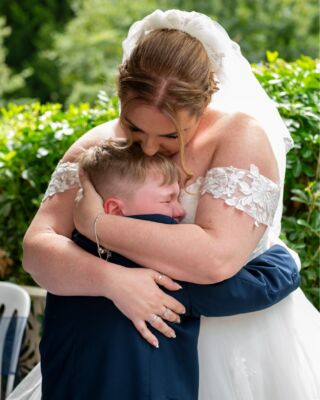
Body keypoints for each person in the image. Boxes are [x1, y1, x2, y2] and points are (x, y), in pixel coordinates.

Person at [10, 9, 320, 400]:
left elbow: (215, 260)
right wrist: (114, 281)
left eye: (171, 135)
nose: (150, 147)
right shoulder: (97, 148)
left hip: (236, 343)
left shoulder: (239, 136)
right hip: (117, 355)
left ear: (204, 104)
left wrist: (96, 225)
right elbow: (37, 249)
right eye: (134, 127)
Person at [38, 139, 298, 400]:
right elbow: (252, 288)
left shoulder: (71, 256)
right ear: (115, 208)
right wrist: (285, 259)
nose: (180, 210)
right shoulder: (163, 263)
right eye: (168, 200)